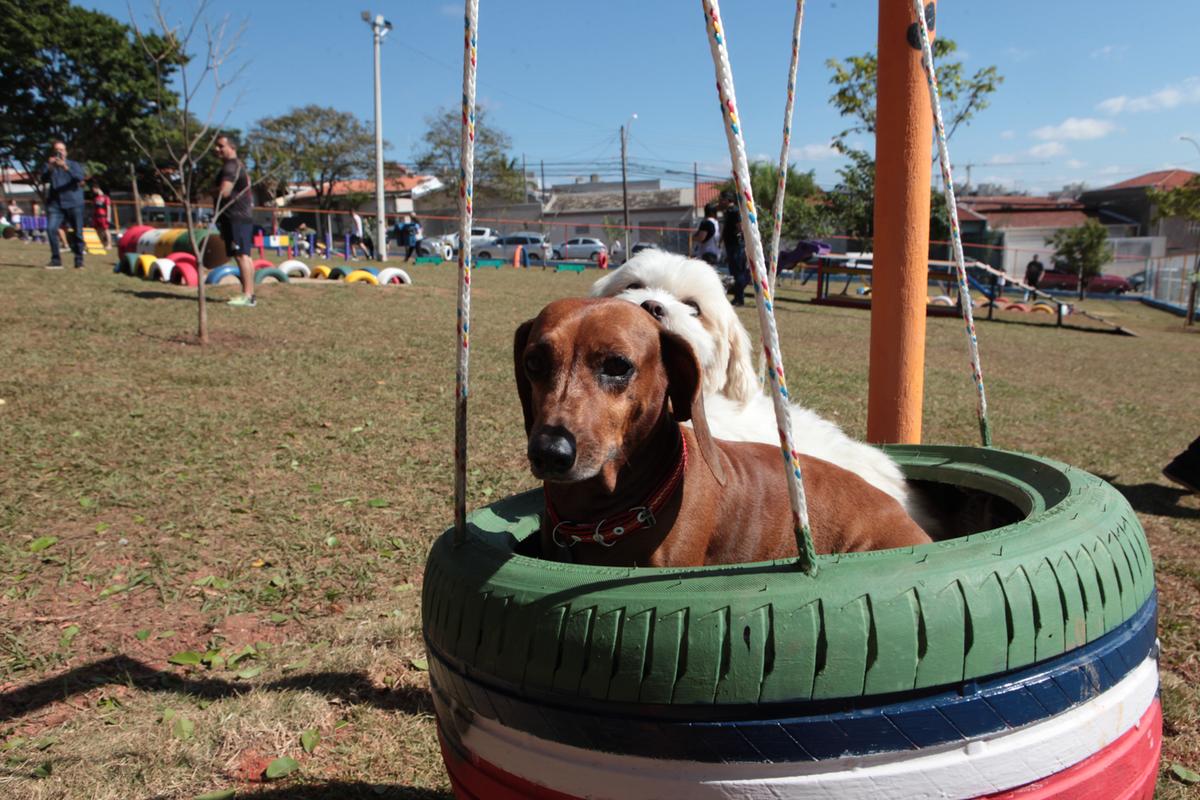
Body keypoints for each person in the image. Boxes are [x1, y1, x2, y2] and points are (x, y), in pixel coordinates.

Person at [212, 133, 256, 307]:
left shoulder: (231, 167)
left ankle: (248, 296)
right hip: (239, 217)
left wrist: (211, 191)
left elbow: (225, 192)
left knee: (241, 256)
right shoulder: (238, 166)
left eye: (221, 146)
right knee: (244, 256)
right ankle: (250, 295)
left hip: (236, 218)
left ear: (232, 147)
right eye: (216, 146)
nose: (217, 149)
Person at [39, 139, 87, 268]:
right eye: (56, 150)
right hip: (56, 203)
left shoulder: (74, 164)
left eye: (61, 150)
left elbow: (80, 178)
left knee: (78, 232)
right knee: (51, 229)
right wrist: (50, 168)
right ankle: (56, 260)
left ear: (66, 152)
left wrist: (65, 167)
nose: (59, 152)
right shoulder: (49, 166)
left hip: (74, 202)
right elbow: (43, 179)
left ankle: (79, 260)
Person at [720, 191, 748, 306]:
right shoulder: (728, 212)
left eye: (722, 199)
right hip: (731, 245)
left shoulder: (735, 211)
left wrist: (740, 238)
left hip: (736, 246)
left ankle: (740, 298)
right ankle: (737, 297)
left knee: (738, 273)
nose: (721, 202)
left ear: (728, 199)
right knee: (734, 272)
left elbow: (740, 227)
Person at [90, 184, 112, 249]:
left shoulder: (105, 197)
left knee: (106, 230)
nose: (93, 191)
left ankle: (109, 244)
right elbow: (94, 208)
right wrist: (93, 217)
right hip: (96, 217)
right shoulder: (95, 198)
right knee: (98, 230)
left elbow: (108, 207)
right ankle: (101, 243)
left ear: (97, 188)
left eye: (93, 189)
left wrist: (109, 216)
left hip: (103, 216)